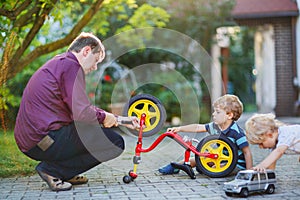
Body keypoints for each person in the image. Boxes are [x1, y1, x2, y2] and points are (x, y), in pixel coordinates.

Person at [14, 32, 139, 191]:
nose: (95, 67)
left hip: (35, 141)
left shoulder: (59, 63)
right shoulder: (71, 66)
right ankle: (53, 171)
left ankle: (65, 172)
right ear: (86, 51)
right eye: (95, 60)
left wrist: (121, 120)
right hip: (45, 140)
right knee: (114, 143)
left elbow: (80, 110)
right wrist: (108, 117)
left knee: (90, 132)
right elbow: (82, 113)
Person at [158, 94, 253, 178]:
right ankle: (175, 166)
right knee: (197, 158)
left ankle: (204, 168)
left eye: (218, 112)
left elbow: (247, 152)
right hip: (221, 157)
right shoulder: (216, 127)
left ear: (229, 115)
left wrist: (249, 172)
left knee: (215, 168)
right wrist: (180, 129)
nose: (213, 114)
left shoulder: (237, 133)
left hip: (236, 164)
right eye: (214, 111)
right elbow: (198, 127)